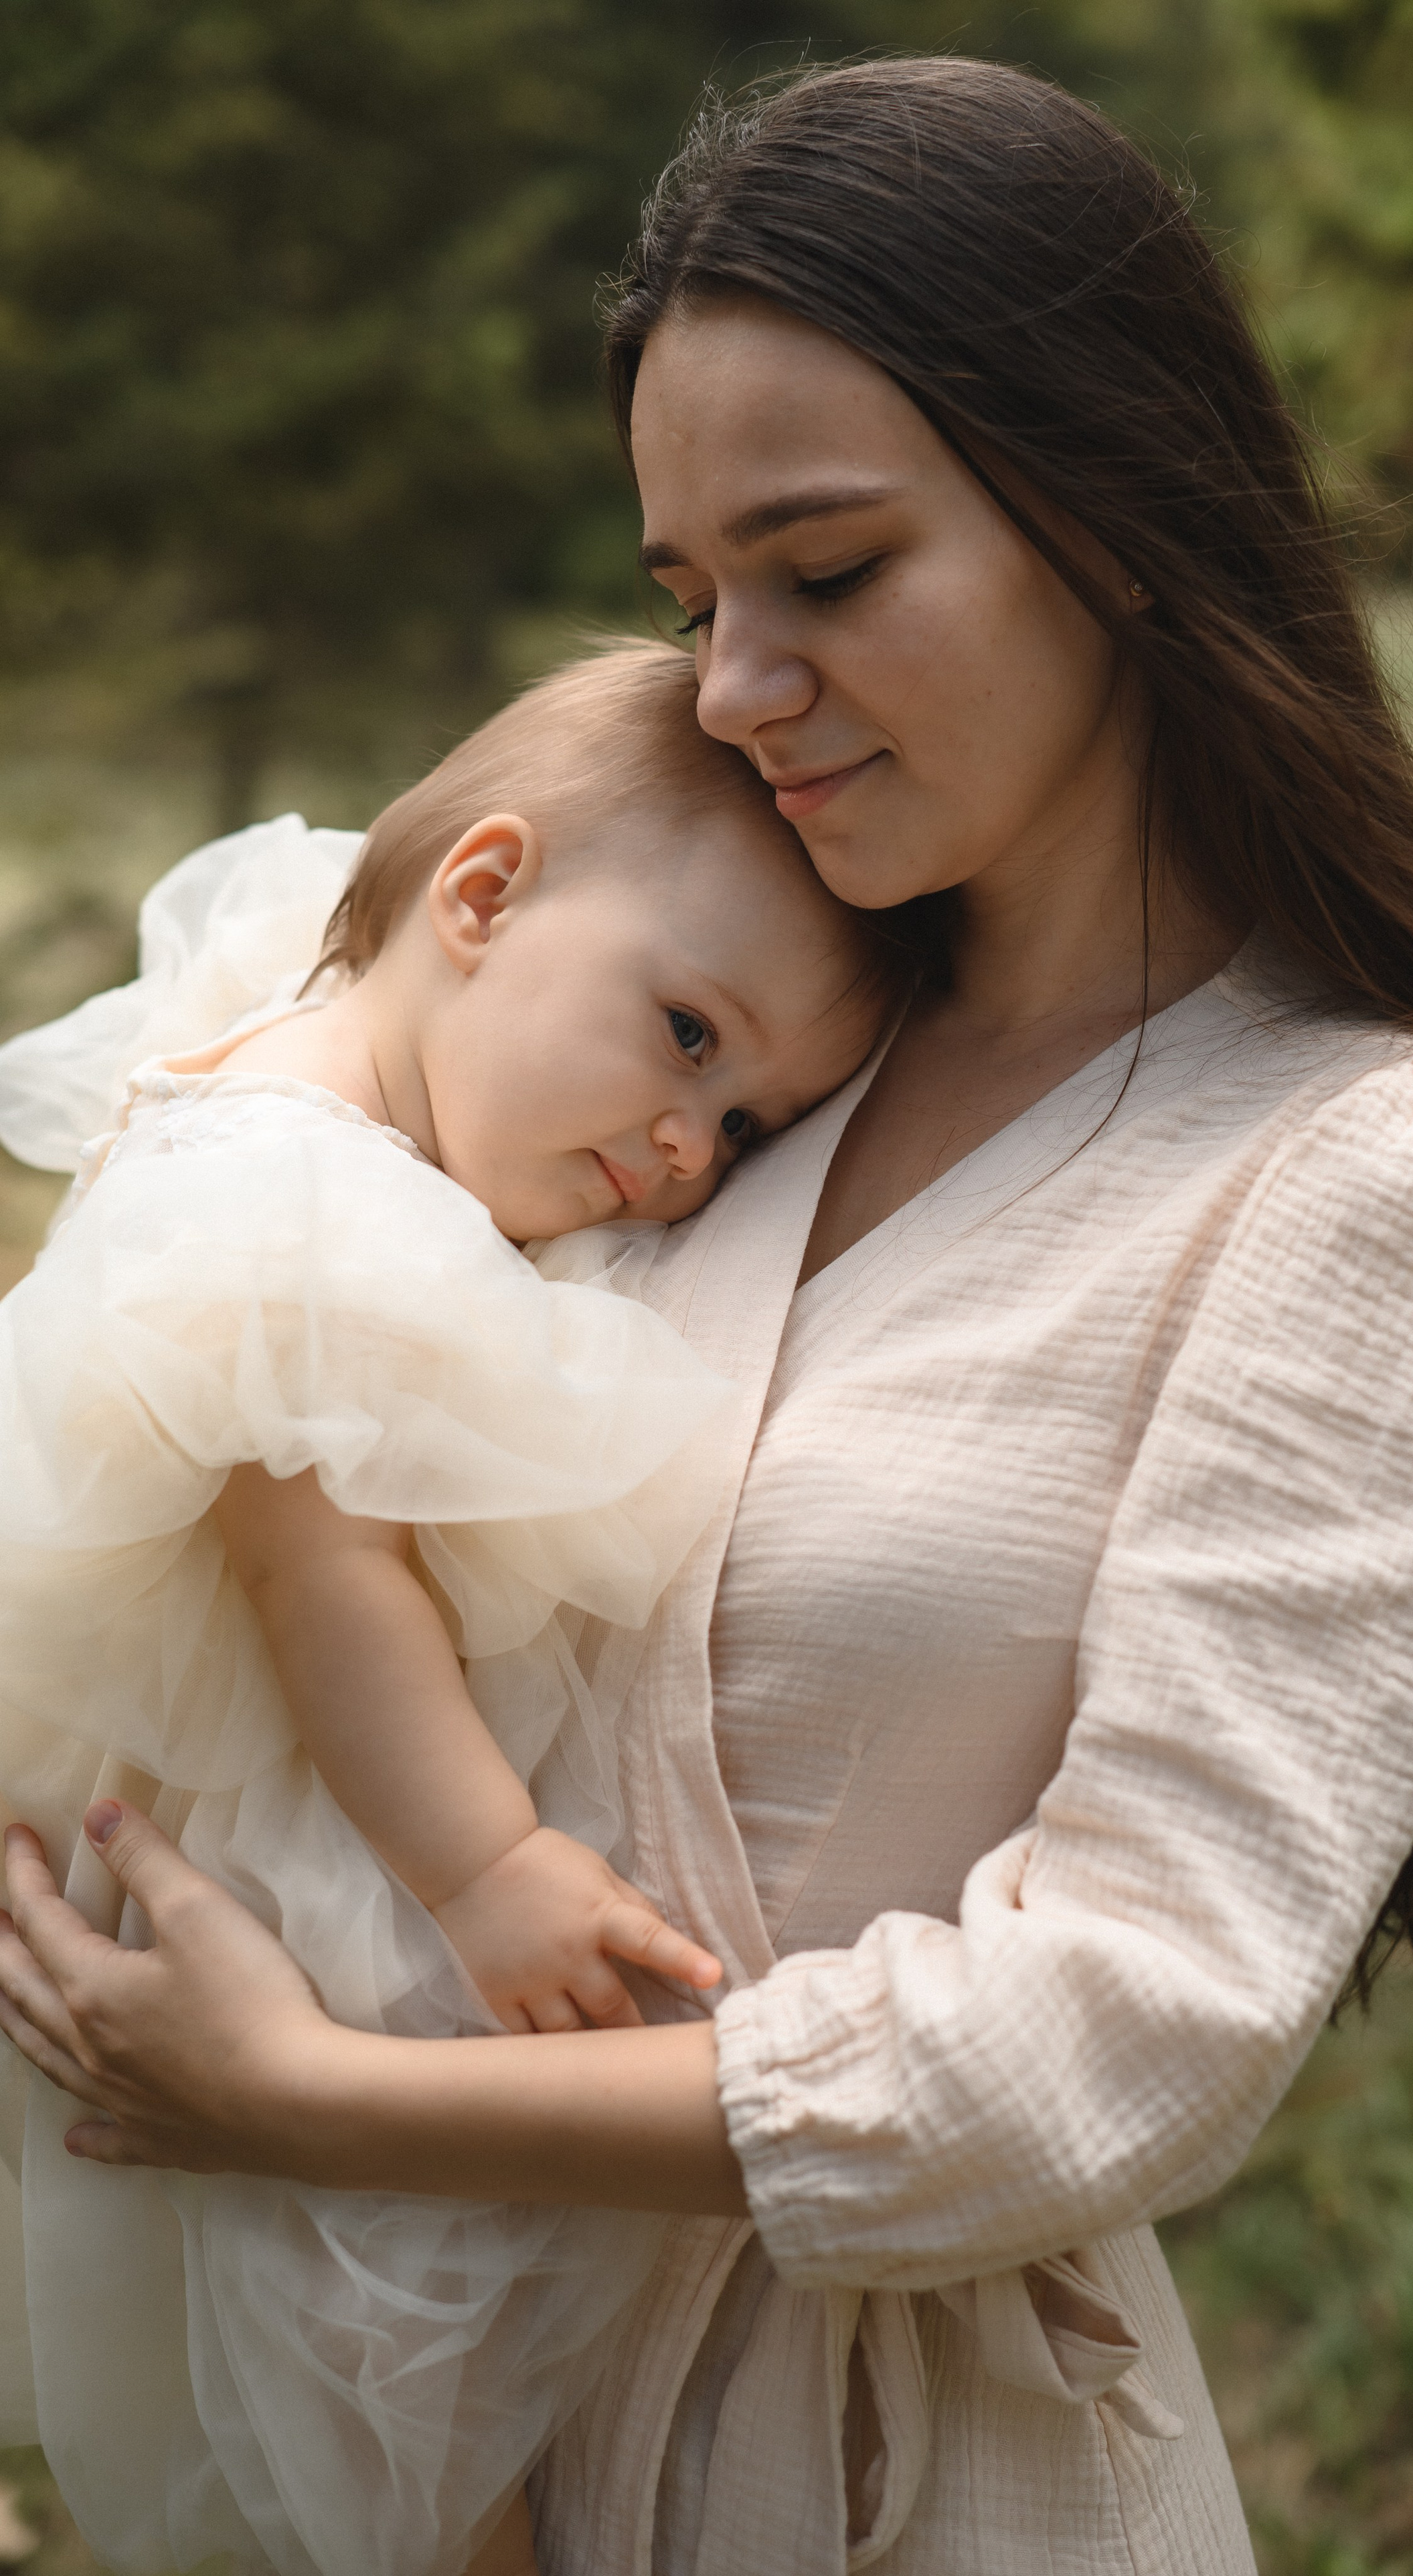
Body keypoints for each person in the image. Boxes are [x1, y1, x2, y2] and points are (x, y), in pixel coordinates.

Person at [0, 56, 1413, 2576]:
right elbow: (284, 1431)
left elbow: (1117, 2042)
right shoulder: (706, 1058)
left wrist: (311, 2099)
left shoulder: (1388, 1167)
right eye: (690, 601)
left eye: (831, 571)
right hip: (442, 2445)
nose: (737, 683)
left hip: (895, 2491)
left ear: (1117, 519)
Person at [0, 640, 899, 2576]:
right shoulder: (300, 1219)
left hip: (266, 1810)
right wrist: (487, 1867)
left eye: (744, 1126)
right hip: (317, 1853)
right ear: (483, 897)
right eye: (685, 1038)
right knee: (397, 2341)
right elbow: (319, 1577)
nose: (686, 1156)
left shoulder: (292, 1046)